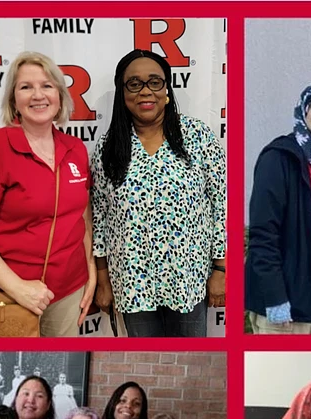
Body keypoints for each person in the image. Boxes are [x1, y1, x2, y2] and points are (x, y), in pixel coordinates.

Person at [0, 51, 96, 337]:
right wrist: (18, 288)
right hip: (11, 296)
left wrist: (90, 269)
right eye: (26, 87)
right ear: (13, 99)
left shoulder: (75, 149)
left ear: (60, 95)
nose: (38, 95)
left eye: (47, 85)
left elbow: (82, 214)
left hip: (68, 292)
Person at [91, 49, 227, 337]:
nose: (145, 91)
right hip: (132, 282)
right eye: (134, 83)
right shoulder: (108, 147)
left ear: (166, 89)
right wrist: (103, 281)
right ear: (122, 92)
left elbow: (223, 205)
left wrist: (221, 270)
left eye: (155, 82)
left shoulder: (197, 136)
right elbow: (100, 219)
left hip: (187, 280)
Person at [246, 83, 311, 334]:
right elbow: (263, 234)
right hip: (288, 296)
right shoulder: (279, 158)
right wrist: (275, 297)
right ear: (304, 110)